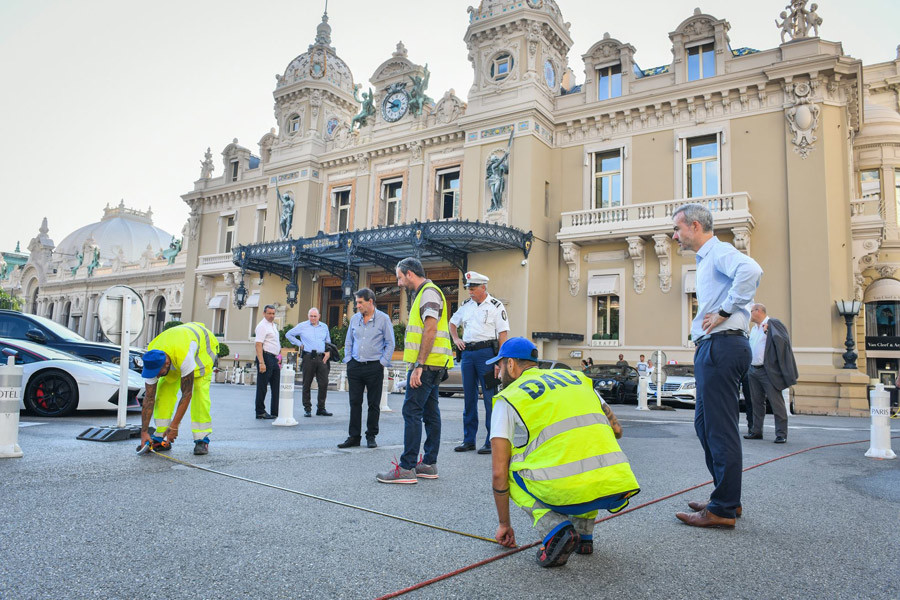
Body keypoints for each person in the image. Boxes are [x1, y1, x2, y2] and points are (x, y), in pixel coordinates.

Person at [488, 337, 640, 567]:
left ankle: (556, 530)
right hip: (613, 484)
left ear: (511, 364)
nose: (497, 373)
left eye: (498, 366)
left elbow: (498, 473)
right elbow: (617, 430)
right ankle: (584, 535)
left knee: (509, 469)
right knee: (583, 451)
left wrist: (504, 525)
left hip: (570, 489)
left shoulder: (510, 397)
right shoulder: (577, 378)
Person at [671, 203, 762, 529]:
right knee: (705, 425)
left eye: (678, 228)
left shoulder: (719, 251)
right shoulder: (709, 258)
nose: (675, 235)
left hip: (721, 346)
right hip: (717, 347)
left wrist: (723, 311)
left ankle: (722, 508)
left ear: (694, 226)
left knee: (719, 429)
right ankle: (726, 497)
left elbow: (751, 270)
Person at [376, 257, 454, 484]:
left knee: (412, 412)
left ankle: (407, 467)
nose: (399, 283)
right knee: (430, 413)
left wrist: (419, 365)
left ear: (410, 274)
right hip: (435, 363)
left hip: (426, 365)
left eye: (400, 277)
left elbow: (430, 329)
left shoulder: (428, 292)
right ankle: (428, 464)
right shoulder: (427, 293)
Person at [449, 270, 510, 454]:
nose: (470, 291)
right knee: (469, 397)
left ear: (483, 287)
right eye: (469, 288)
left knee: (490, 398)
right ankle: (469, 440)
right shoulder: (466, 305)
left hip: (487, 355)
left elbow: (503, 335)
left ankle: (491, 440)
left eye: (473, 288)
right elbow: (452, 323)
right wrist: (456, 339)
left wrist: (500, 362)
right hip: (467, 354)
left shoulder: (496, 306)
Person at [138, 322, 219, 456]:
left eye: (158, 372)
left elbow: (186, 394)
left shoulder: (184, 354)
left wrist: (174, 427)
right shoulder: (153, 357)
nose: (156, 376)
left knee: (199, 391)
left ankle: (201, 439)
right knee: (163, 390)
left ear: (167, 364)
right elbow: (149, 398)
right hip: (175, 352)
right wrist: (144, 432)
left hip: (202, 352)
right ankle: (161, 435)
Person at [338, 288, 395, 449]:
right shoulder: (355, 319)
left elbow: (390, 343)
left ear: (370, 302)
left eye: (360, 302)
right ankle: (354, 437)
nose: (357, 306)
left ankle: (371, 435)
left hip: (374, 366)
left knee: (373, 403)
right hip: (355, 366)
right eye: (356, 302)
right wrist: (348, 359)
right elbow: (349, 340)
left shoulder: (383, 319)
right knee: (355, 402)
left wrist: (382, 362)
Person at [745, 303, 797, 444]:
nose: (749, 314)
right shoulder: (754, 329)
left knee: (776, 402)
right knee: (756, 402)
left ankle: (781, 434)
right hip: (753, 370)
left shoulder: (772, 323)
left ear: (759, 311)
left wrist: (769, 332)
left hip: (767, 370)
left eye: (751, 311)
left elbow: (783, 340)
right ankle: (756, 431)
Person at [286, 308, 333, 417]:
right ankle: (307, 408)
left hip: (322, 357)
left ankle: (321, 408)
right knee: (307, 383)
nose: (313, 318)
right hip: (308, 357)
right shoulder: (302, 326)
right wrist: (299, 343)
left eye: (315, 316)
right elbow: (288, 334)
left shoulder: (324, 327)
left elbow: (328, 342)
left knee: (324, 383)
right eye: (311, 316)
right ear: (308, 316)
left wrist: (328, 352)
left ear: (319, 316)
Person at [253, 304, 280, 420]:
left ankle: (275, 411)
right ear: (264, 313)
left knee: (276, 386)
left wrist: (278, 357)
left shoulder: (273, 326)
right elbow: (258, 344)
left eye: (273, 313)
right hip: (265, 357)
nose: (271, 316)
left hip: (274, 358)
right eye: (269, 313)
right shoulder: (262, 326)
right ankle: (260, 411)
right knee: (262, 386)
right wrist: (261, 362)